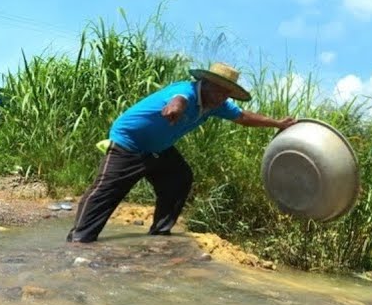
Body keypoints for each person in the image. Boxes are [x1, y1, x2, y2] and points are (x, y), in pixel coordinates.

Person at [66, 62, 297, 244]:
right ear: (205, 83)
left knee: (179, 177)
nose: (222, 97)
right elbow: (178, 100)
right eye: (218, 90)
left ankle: (160, 231)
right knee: (105, 192)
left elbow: (243, 117)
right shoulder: (184, 90)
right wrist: (174, 108)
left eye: (227, 93)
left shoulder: (218, 106)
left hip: (158, 149)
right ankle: (79, 239)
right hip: (129, 143)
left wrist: (278, 123)